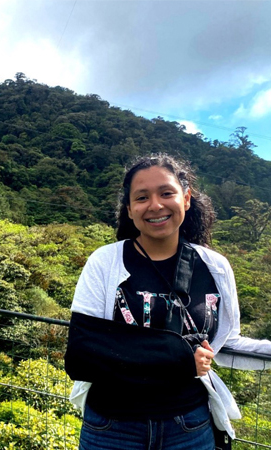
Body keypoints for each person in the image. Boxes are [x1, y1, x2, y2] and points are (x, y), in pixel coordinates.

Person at [64, 153, 271, 450]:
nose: (156, 205)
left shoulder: (215, 267)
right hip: (112, 427)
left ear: (186, 199)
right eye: (142, 197)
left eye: (166, 193)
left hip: (189, 426)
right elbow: (84, 353)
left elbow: (225, 345)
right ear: (130, 210)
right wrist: (180, 358)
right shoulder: (105, 262)